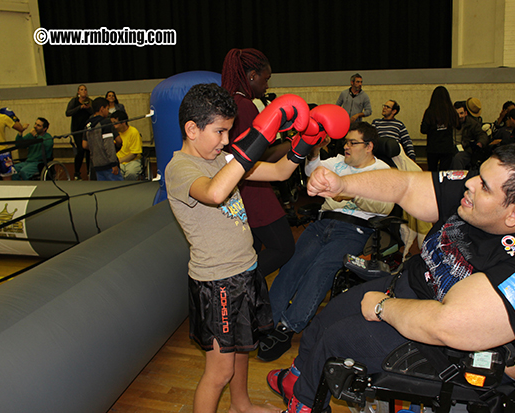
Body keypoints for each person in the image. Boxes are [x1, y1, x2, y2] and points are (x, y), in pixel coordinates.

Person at [267, 144, 515, 413]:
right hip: (412, 289)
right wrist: (342, 184)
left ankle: (305, 400)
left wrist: (382, 308)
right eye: (478, 175)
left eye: (484, 186)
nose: (469, 183)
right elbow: (406, 186)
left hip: (451, 348)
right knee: (324, 320)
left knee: (335, 340)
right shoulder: (480, 199)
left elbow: (447, 324)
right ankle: (300, 377)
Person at [165, 83, 343, 413]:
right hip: (216, 282)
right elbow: (215, 193)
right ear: (191, 128)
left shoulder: (222, 159)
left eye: (229, 132)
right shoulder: (180, 169)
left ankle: (241, 406)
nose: (224, 141)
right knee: (219, 372)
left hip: (246, 271)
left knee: (243, 348)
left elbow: (278, 171)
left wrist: (305, 141)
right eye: (219, 132)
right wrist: (261, 132)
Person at [258, 122, 394, 362]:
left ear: (369, 146)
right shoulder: (337, 162)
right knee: (292, 266)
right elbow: (312, 172)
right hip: (322, 223)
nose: (347, 146)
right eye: (346, 142)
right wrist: (314, 150)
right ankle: (267, 319)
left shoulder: (382, 171)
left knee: (319, 271)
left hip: (354, 228)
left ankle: (287, 328)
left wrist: (351, 193)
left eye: (353, 142)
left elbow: (385, 207)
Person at [221, 47, 295, 277]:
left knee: (250, 249)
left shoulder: (232, 101)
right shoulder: (243, 106)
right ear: (252, 76)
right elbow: (254, 157)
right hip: (251, 187)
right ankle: (239, 284)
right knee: (282, 247)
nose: (267, 85)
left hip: (239, 188)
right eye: (266, 79)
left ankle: (245, 302)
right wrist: (299, 143)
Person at [0, 91, 28, 180]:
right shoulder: (2, 117)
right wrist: (13, 117)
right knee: (7, 181)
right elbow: (20, 128)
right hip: (2, 154)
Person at [83, 97, 123, 181]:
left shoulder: (87, 124)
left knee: (103, 190)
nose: (108, 111)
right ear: (102, 109)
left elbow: (85, 145)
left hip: (96, 165)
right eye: (107, 109)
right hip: (109, 164)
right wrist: (114, 163)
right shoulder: (105, 123)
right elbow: (109, 144)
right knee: (118, 189)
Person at [420, 86, 459, 171]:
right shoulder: (451, 111)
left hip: (433, 147)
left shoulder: (430, 111)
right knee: (444, 172)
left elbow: (423, 129)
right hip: (447, 147)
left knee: (432, 172)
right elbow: (458, 125)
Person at [450, 100, 489, 170]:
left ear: (466, 113)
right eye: (457, 114)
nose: (459, 116)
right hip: (451, 149)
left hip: (465, 150)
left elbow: (482, 135)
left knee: (458, 159)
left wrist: (480, 143)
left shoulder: (472, 124)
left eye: (461, 113)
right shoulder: (449, 123)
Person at [65, 85, 93, 180]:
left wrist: (88, 108)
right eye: (82, 90)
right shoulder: (74, 101)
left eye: (85, 89)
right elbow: (68, 113)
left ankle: (90, 171)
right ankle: (77, 172)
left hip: (87, 129)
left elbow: (94, 113)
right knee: (80, 150)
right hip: (77, 130)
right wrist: (80, 107)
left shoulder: (90, 101)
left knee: (89, 150)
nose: (84, 91)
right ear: (78, 92)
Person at [110, 110, 142, 180]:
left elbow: (134, 154)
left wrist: (119, 161)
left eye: (115, 123)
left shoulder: (133, 132)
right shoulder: (114, 133)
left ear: (123, 122)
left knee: (131, 173)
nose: (113, 126)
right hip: (118, 160)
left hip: (132, 160)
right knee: (115, 173)